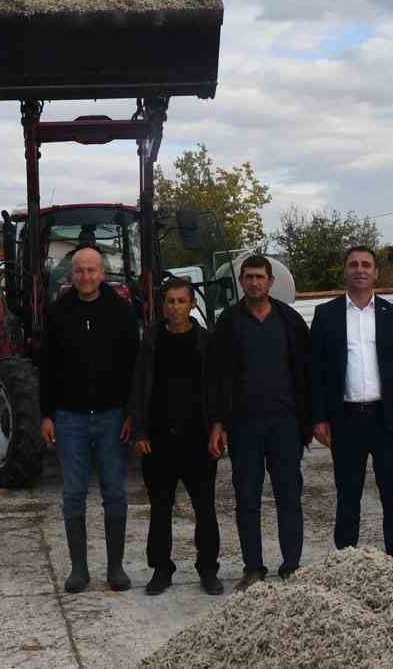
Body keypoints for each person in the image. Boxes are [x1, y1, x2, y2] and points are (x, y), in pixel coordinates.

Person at [206, 254, 311, 591]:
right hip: (245, 427)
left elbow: (307, 376)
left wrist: (308, 421)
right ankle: (253, 568)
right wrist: (219, 423)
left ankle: (291, 565)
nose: (254, 283)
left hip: (285, 425)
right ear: (241, 282)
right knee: (247, 499)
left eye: (259, 277)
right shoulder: (228, 324)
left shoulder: (291, 321)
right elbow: (217, 378)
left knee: (289, 497)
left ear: (271, 281)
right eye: (248, 277)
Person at [40, 246, 140, 593]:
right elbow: (48, 367)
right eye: (79, 270)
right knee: (74, 494)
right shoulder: (56, 313)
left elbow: (133, 367)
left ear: (103, 273)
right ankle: (79, 569)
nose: (85, 276)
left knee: (114, 492)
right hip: (69, 419)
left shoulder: (122, 311)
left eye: (92, 270)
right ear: (71, 274)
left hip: (112, 417)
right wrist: (47, 414)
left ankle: (115, 568)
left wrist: (131, 413)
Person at [310, 245, 393, 560]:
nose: (360, 270)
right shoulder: (326, 314)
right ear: (345, 271)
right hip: (345, 419)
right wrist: (319, 418)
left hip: (386, 418)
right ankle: (347, 557)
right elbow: (315, 371)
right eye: (354, 264)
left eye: (366, 265)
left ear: (376, 272)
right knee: (347, 493)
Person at [128, 276, 222, 596]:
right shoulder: (151, 341)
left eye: (182, 301)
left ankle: (208, 569)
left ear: (192, 305)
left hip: (198, 439)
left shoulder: (206, 342)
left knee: (205, 508)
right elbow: (139, 388)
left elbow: (217, 389)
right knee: (160, 508)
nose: (176, 307)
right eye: (170, 301)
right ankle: (161, 569)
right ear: (163, 306)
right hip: (159, 440)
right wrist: (139, 431)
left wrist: (218, 428)